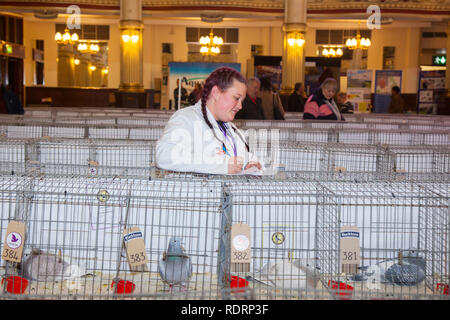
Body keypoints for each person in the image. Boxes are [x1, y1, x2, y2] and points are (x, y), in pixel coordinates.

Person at [156, 67, 263, 175]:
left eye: (242, 101)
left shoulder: (230, 127)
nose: (240, 106)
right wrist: (221, 165)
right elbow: (165, 156)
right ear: (216, 92)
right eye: (236, 98)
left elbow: (239, 155)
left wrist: (251, 162)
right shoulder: (186, 118)